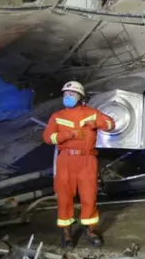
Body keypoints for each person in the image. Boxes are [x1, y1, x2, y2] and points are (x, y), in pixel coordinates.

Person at [42, 81, 116, 249]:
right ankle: (67, 234)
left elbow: (111, 124)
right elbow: (47, 138)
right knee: (64, 197)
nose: (67, 97)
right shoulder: (57, 116)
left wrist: (97, 124)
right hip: (66, 160)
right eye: (65, 95)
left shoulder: (91, 113)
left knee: (89, 196)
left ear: (81, 97)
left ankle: (89, 231)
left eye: (71, 94)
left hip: (87, 160)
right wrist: (68, 134)